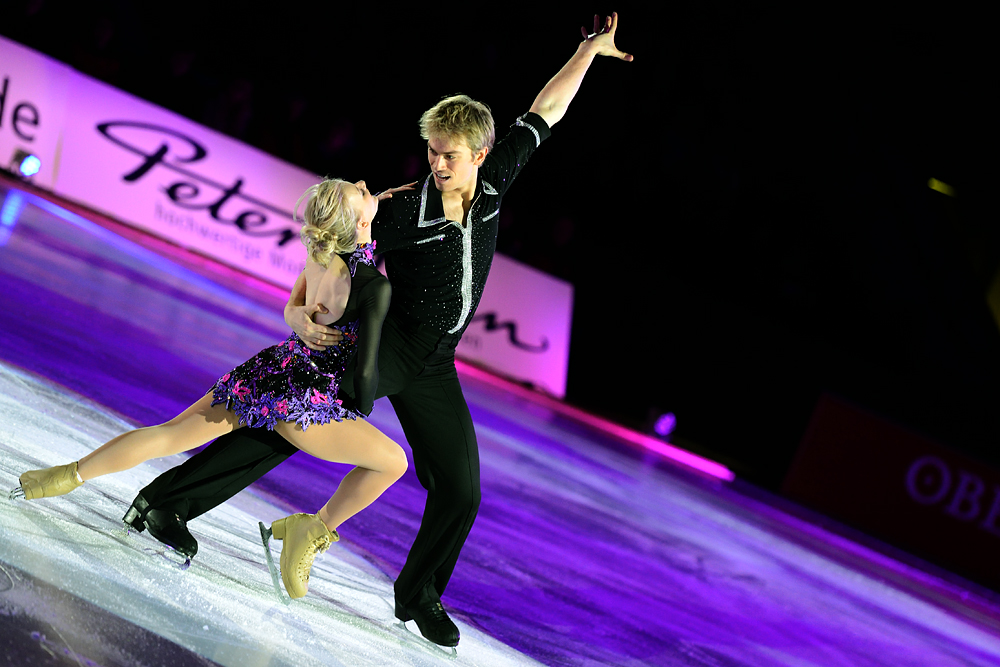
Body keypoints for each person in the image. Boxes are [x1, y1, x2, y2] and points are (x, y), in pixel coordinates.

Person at [117, 13, 632, 647]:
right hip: (382, 348)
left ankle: (417, 596)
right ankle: (167, 502)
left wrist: (587, 51)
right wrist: (298, 312)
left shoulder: (496, 183)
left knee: (461, 488)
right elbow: (327, 254)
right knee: (295, 422)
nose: (438, 163)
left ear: (480, 154)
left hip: (437, 364)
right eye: (432, 151)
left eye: (450, 154)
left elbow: (546, 109)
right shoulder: (399, 208)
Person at [10, 178, 408, 600]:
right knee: (393, 462)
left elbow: (294, 305)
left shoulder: (319, 252)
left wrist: (298, 320)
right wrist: (353, 412)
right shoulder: (373, 286)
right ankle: (313, 528)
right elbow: (365, 373)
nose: (367, 184)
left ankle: (65, 476)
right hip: (302, 401)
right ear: (360, 221)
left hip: (268, 370)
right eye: (361, 192)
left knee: (170, 433)